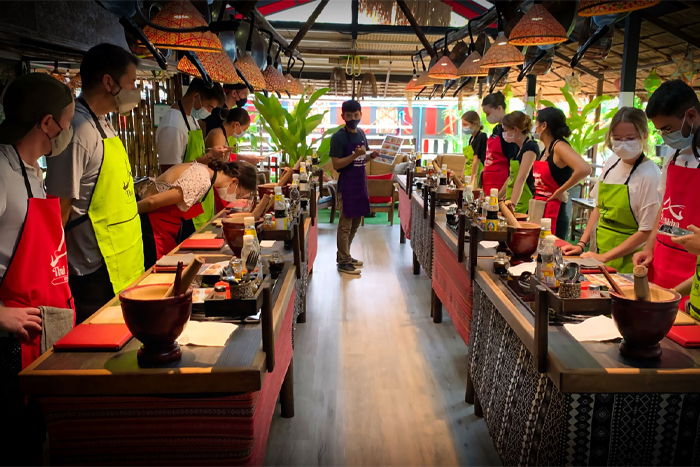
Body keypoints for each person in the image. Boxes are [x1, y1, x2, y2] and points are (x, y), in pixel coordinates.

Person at [0, 73, 75, 464]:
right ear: (47, 123)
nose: (68, 131)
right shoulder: (0, 168)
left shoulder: (32, 171)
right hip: (7, 338)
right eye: (66, 121)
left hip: (38, 326)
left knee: (35, 438)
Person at [46, 43, 145, 324]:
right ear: (108, 82)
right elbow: (59, 208)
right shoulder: (76, 130)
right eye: (132, 83)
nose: (135, 90)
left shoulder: (103, 123)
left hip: (122, 260)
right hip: (91, 269)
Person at [562, 107, 661, 273]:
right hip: (598, 252)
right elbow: (599, 208)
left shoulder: (650, 174)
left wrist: (606, 257)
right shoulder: (612, 163)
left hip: (629, 261)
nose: (623, 143)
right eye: (617, 138)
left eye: (630, 138)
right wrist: (581, 244)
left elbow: (646, 231)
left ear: (644, 136)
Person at [633, 79, 700, 310]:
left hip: (692, 272)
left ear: (691, 115)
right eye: (660, 130)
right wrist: (649, 247)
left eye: (668, 129)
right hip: (662, 261)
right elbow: (664, 205)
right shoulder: (674, 154)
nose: (664, 136)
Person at [138, 160, 257, 267]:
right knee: (156, 269)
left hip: (164, 224)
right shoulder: (201, 179)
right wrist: (130, 213)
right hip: (153, 224)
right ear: (234, 181)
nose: (235, 197)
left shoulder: (206, 173)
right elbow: (152, 202)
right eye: (239, 194)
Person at [156, 78, 228, 231]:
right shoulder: (173, 125)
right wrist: (208, 157)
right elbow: (170, 173)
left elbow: (190, 156)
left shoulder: (192, 119)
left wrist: (211, 153)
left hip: (198, 203)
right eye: (209, 106)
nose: (209, 111)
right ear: (196, 97)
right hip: (182, 207)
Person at [330, 100, 379, 276]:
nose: (353, 118)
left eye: (355, 115)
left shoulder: (361, 134)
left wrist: (371, 156)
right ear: (343, 116)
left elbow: (361, 159)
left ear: (360, 114)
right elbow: (336, 164)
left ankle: (345, 255)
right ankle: (343, 262)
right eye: (349, 115)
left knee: (356, 222)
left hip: (360, 184)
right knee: (345, 224)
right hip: (347, 185)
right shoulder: (338, 137)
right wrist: (354, 155)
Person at [532, 107, 591, 238]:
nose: (534, 128)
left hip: (554, 212)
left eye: (535, 124)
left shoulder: (559, 146)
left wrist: (560, 191)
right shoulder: (545, 150)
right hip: (539, 207)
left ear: (543, 126)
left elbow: (584, 169)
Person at [480, 91, 519, 195]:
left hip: (501, 185)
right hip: (489, 183)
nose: (487, 117)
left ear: (499, 108)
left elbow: (514, 166)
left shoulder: (510, 132)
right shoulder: (496, 129)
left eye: (488, 113)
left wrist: (501, 194)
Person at [500, 111, 539, 213]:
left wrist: (512, 205)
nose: (503, 134)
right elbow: (511, 177)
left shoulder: (530, 147)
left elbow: (521, 178)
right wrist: (496, 196)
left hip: (524, 201)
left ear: (515, 130)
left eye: (505, 130)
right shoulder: (517, 148)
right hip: (512, 197)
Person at [461, 110, 487, 188]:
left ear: (475, 124)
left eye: (465, 124)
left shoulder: (482, 137)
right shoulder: (472, 138)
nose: (463, 127)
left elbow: (476, 161)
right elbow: (467, 160)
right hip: (468, 174)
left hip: (476, 174)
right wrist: (462, 176)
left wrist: (473, 182)